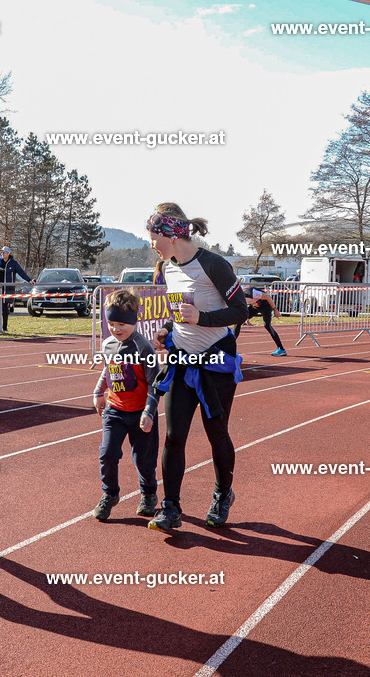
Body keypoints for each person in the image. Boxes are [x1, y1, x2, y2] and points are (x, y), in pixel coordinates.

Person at [145, 203, 248, 532]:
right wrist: (165, 329)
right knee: (174, 436)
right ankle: (170, 507)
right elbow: (179, 312)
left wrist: (202, 319)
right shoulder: (166, 267)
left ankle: (222, 494)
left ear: (169, 235)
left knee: (216, 433)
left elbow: (240, 312)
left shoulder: (214, 265)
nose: (150, 244)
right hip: (181, 359)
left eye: (152, 237)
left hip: (215, 360)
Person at [92, 289, 160, 521]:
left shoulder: (144, 348)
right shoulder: (109, 344)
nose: (116, 329)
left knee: (143, 459)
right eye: (111, 323)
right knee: (107, 453)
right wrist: (98, 391)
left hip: (141, 413)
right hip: (115, 410)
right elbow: (107, 369)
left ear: (134, 322)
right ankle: (110, 494)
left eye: (122, 324)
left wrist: (149, 411)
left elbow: (155, 384)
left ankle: (149, 494)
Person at [0, 246, 32, 334]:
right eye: (1, 252)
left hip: (6, 288)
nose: (2, 254)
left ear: (8, 253)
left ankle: (4, 327)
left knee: (5, 308)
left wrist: (29, 280)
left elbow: (21, 272)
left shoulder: (13, 263)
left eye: (4, 252)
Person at [235, 286, 286, 356]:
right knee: (238, 321)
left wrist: (275, 309)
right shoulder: (237, 299)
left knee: (267, 325)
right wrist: (246, 317)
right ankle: (231, 346)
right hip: (255, 305)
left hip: (265, 305)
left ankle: (281, 349)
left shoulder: (251, 292)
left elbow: (268, 297)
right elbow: (243, 308)